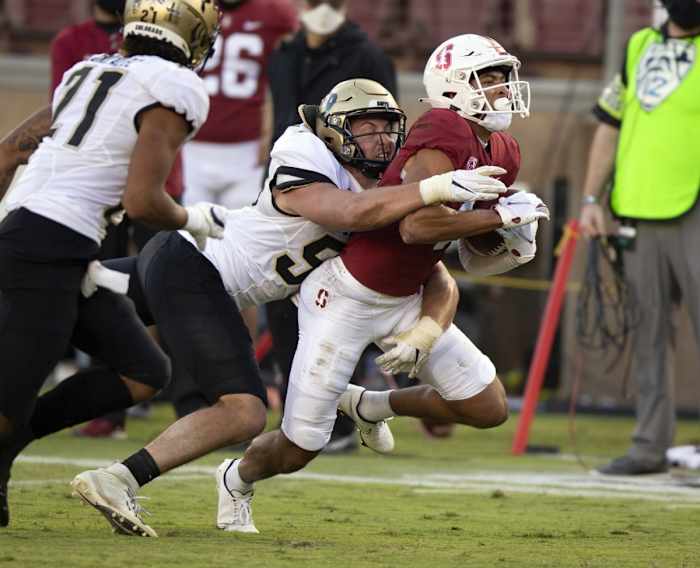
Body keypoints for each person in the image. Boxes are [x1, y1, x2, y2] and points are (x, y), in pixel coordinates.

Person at [68, 78, 506, 537]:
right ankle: (119, 478)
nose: (380, 139)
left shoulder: (395, 184)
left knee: (63, 299)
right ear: (335, 131)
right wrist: (433, 188)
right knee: (244, 412)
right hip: (197, 265)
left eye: (388, 127)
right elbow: (347, 213)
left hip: (202, 276)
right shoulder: (304, 148)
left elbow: (424, 260)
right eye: (365, 127)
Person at [217, 34, 550, 534]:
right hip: (345, 296)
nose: (504, 89)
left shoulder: (504, 146)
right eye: (490, 78)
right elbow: (416, 225)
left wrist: (502, 234)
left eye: (505, 77)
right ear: (456, 85)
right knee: (301, 445)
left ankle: (371, 404)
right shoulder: (443, 126)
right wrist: (498, 215)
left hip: (407, 295)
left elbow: (458, 250)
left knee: (488, 407)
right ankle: (235, 478)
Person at [0, 0, 224, 528]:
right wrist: (194, 218)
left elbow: (10, 150)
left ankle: (11, 445)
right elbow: (145, 201)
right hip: (48, 244)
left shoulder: (88, 69)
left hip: (42, 235)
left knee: (143, 371)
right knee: (11, 393)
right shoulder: (177, 86)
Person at [265, 0, 398, 452]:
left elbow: (385, 139)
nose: (321, 7)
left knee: (342, 305)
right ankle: (296, 411)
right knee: (283, 305)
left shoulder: (368, 56)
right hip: (297, 185)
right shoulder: (284, 54)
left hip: (346, 194)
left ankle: (344, 412)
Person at [579, 0, 700, 476]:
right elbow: (609, 126)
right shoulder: (637, 46)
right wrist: (591, 200)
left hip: (695, 204)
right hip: (637, 208)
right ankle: (649, 446)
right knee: (647, 332)